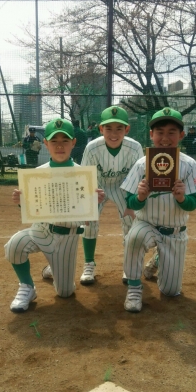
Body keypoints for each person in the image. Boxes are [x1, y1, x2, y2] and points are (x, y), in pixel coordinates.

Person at [4, 118, 104, 313]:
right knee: (15, 245)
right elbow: (32, 211)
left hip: (68, 237)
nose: (60, 145)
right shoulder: (36, 175)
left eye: (65, 141)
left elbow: (89, 218)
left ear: (73, 143)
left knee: (65, 293)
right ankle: (27, 287)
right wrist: (21, 203)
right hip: (42, 231)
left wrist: (94, 202)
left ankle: (53, 268)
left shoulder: (84, 175)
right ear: (46, 144)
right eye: (54, 141)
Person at [120, 107, 196, 313]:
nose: (165, 137)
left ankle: (158, 259)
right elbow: (130, 202)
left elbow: (194, 203)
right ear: (151, 135)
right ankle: (134, 288)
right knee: (134, 237)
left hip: (175, 231)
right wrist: (140, 197)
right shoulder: (142, 164)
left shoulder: (189, 164)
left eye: (172, 132)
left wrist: (182, 198)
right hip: (147, 223)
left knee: (170, 291)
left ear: (181, 135)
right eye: (160, 132)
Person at [79, 105, 144, 285]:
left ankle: (128, 266)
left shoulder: (135, 147)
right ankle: (89, 263)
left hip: (124, 186)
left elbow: (137, 178)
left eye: (119, 128)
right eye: (108, 128)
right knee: (89, 220)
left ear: (127, 129)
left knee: (131, 221)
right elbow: (85, 177)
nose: (113, 133)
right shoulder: (92, 148)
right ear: (101, 129)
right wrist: (91, 197)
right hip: (97, 186)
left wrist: (131, 204)